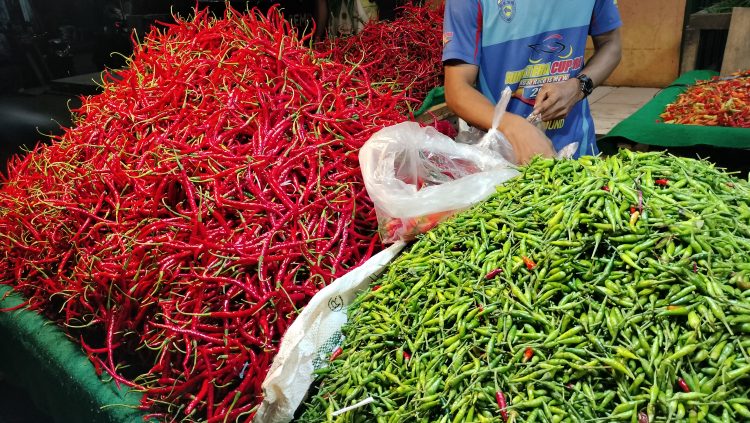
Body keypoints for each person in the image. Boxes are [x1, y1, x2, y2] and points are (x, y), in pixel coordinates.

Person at [442, 0, 622, 163]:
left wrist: (579, 86)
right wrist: (511, 126)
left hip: (578, 150)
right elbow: (457, 89)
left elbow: (611, 44)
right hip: (501, 160)